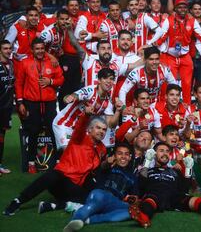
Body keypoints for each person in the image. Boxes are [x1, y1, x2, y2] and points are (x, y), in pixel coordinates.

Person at [3, 113, 108, 216]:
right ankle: (18, 201)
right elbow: (80, 127)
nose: (101, 131)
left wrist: (107, 162)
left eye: (104, 129)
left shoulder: (102, 148)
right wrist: (86, 115)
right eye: (98, 128)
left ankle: (53, 206)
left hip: (75, 187)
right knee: (52, 175)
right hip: (61, 181)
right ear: (89, 129)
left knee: (92, 197)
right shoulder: (80, 138)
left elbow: (96, 169)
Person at [15, 38, 64, 173]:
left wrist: (51, 81)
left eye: (42, 48)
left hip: (49, 102)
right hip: (32, 103)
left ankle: (59, 161)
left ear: (45, 49)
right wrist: (20, 102)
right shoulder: (24, 63)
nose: (40, 51)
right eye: (37, 48)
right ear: (32, 50)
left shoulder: (52, 62)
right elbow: (18, 83)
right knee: (33, 131)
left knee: (54, 131)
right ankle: (31, 162)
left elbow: (61, 79)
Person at [63, 143, 138, 232]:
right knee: (94, 203)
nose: (123, 157)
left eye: (126, 154)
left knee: (132, 211)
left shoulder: (133, 177)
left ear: (130, 157)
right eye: (120, 153)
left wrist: (132, 199)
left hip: (115, 202)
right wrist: (107, 162)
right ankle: (76, 220)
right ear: (114, 156)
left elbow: (135, 197)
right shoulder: (109, 167)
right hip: (101, 194)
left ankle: (89, 219)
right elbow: (103, 166)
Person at [157, 0, 201, 104]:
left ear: (187, 9)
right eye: (179, 7)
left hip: (185, 57)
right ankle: (165, 107)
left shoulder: (191, 21)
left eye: (184, 7)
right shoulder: (169, 20)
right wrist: (151, 45)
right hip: (170, 56)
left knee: (187, 83)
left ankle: (187, 107)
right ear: (175, 9)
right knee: (168, 83)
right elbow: (160, 37)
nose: (182, 9)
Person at [53, 68, 119, 150]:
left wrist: (118, 111)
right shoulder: (91, 90)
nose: (109, 81)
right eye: (105, 78)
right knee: (70, 152)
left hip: (79, 129)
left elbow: (110, 124)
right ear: (99, 80)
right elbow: (76, 95)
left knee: (81, 155)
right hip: (65, 124)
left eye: (111, 79)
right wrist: (69, 98)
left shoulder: (108, 100)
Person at [0, 40, 14, 175]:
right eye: (5, 48)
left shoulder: (11, 64)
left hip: (6, 108)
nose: (8, 51)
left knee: (1, 137)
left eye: (10, 48)